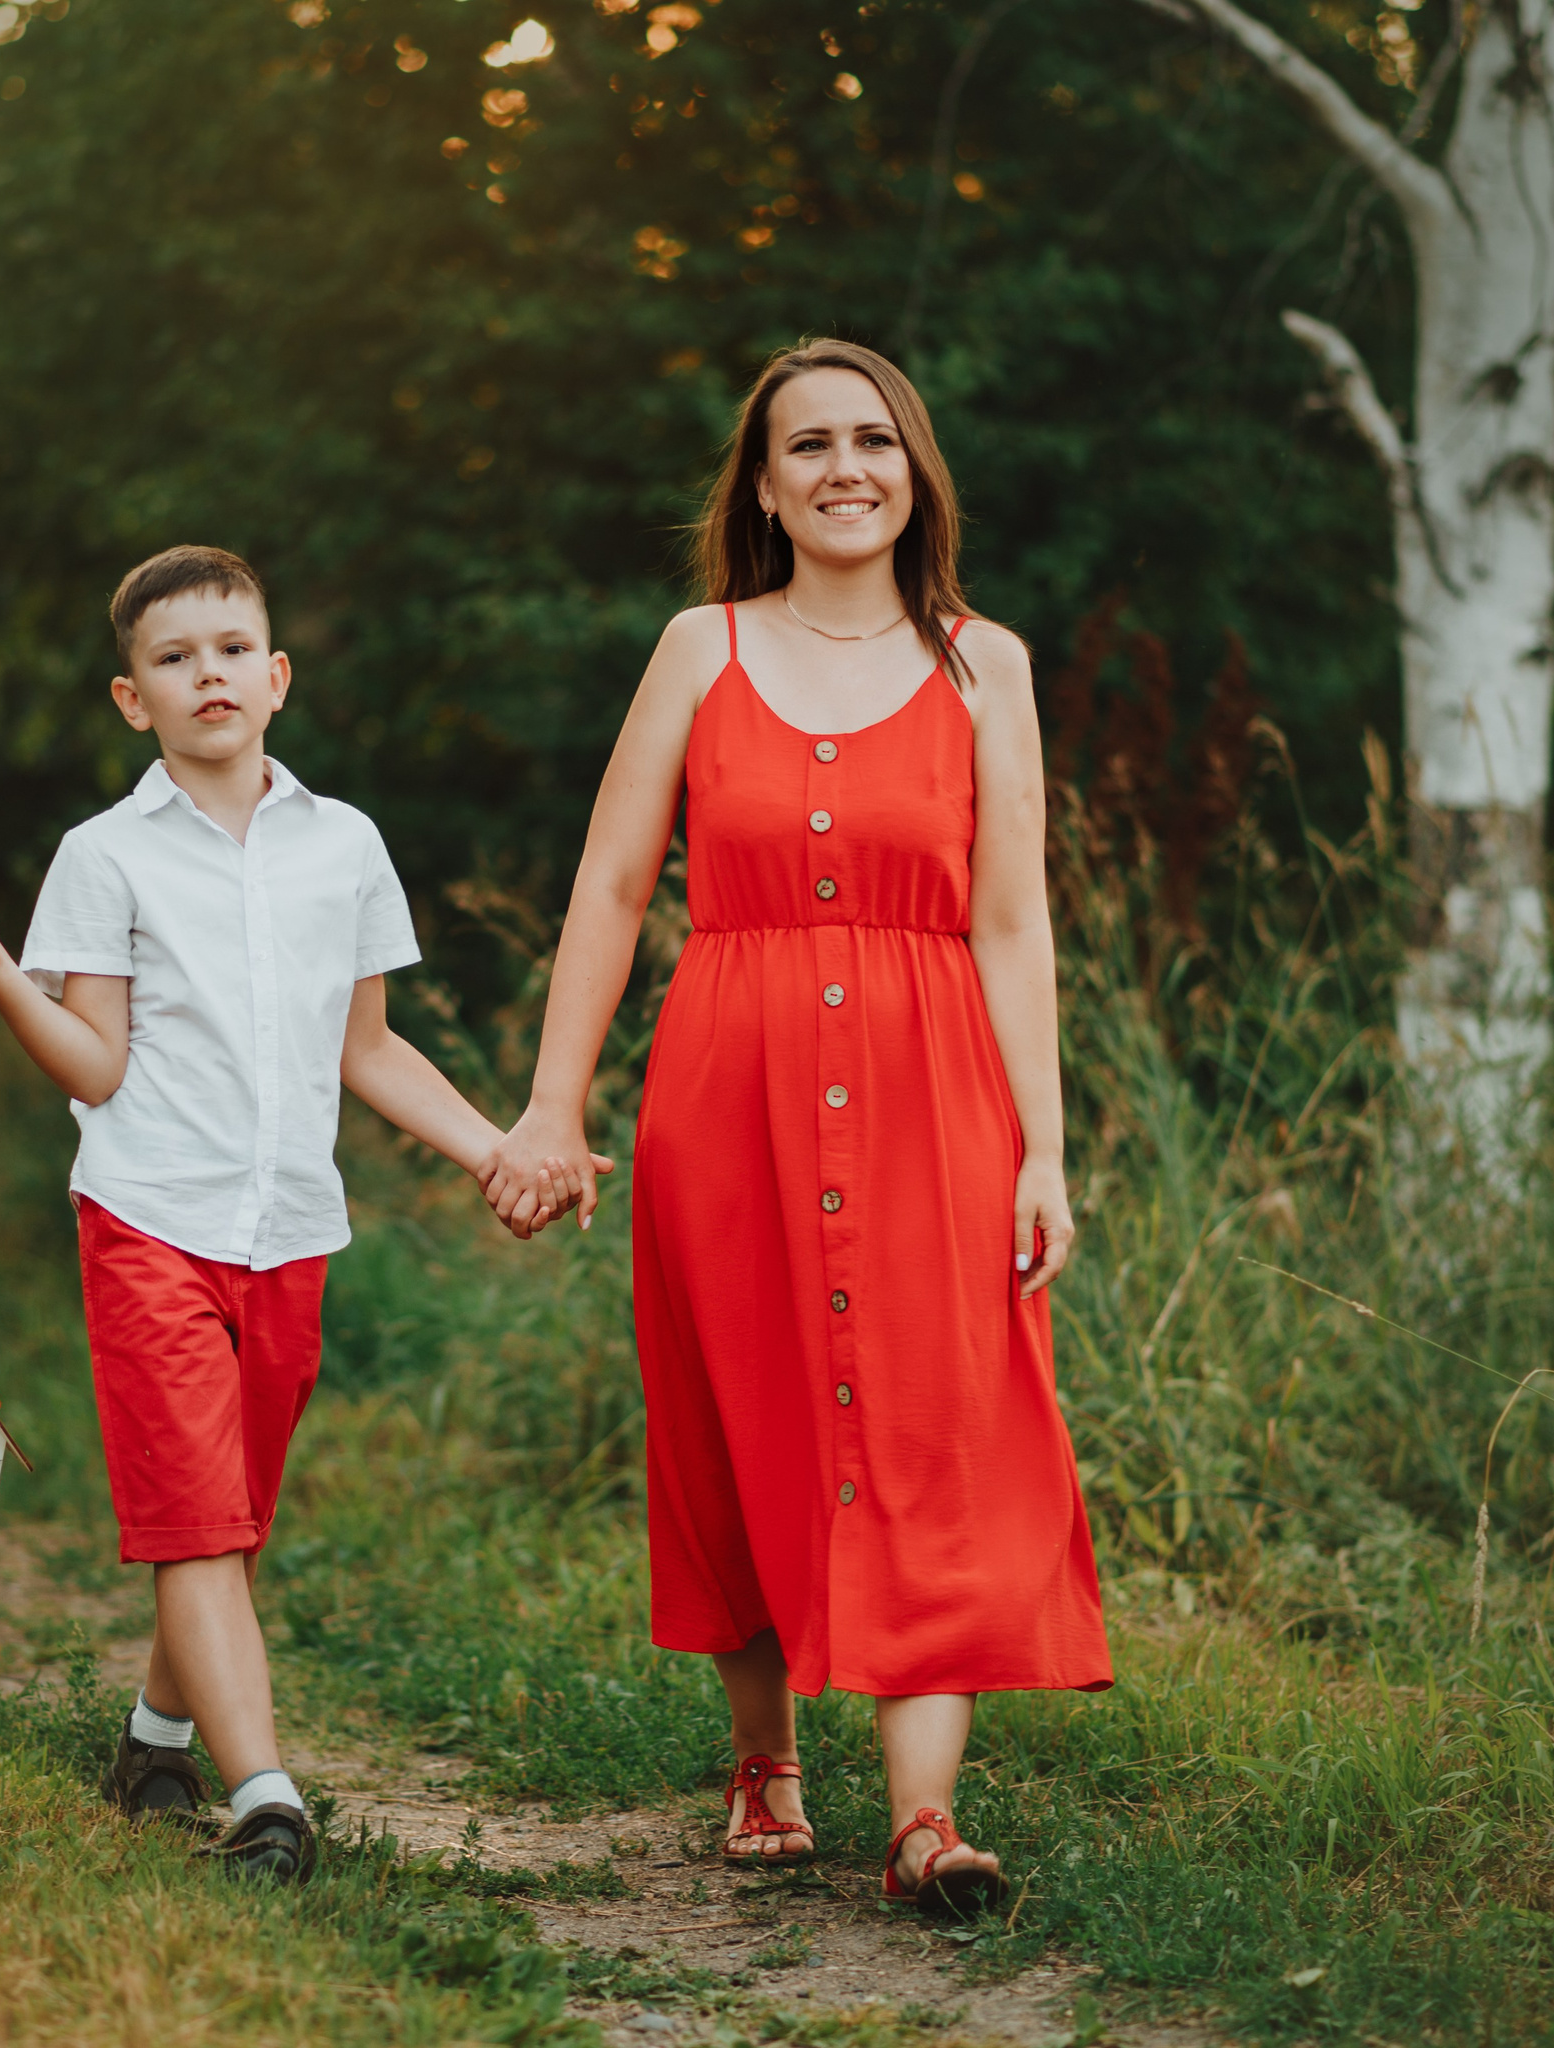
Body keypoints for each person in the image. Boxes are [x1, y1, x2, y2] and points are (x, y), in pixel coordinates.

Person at [485, 340, 1112, 1917]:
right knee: (743, 1402)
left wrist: (1044, 1147)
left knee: (936, 1424)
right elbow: (615, 886)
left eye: (875, 440)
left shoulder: (991, 665)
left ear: (917, 473)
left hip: (934, 1095)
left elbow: (1016, 924)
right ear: (763, 486)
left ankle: (924, 1821)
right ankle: (764, 1759)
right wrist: (554, 1104)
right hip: (728, 1083)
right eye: (809, 445)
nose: (847, 467)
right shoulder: (701, 647)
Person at [0, 544, 572, 1884]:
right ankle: (268, 1798)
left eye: (227, 650)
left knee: (229, 1514)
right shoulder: (105, 856)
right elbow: (95, 1066)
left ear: (273, 678)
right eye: (172, 657)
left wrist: (496, 1149)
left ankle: (155, 1739)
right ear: (130, 698)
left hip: (291, 1234)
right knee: (197, 1521)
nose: (204, 673)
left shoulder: (347, 845)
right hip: (150, 1217)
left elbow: (367, 1049)